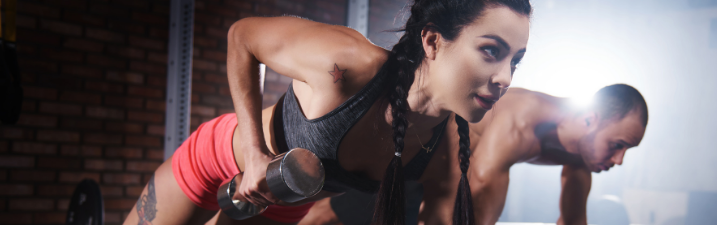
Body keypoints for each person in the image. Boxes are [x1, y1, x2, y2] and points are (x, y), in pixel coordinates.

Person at [122, 0, 532, 224]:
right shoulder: (347, 65)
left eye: (516, 60)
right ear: (432, 42)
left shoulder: (442, 151)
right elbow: (242, 36)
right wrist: (253, 156)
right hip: (215, 157)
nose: (505, 77)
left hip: (281, 207)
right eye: (491, 51)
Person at [300, 84, 649, 225]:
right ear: (590, 119)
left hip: (450, 174)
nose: (618, 160)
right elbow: (478, 189)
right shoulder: (520, 123)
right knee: (327, 218)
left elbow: (574, 221)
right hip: (422, 157)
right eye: (618, 145)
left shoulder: (581, 156)